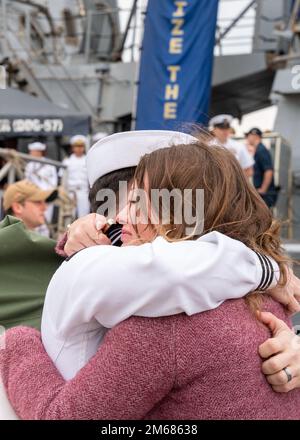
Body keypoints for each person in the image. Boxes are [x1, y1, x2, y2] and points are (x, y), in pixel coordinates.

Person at [2, 138, 300, 419]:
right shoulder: (272, 302)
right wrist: (272, 270)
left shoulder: (162, 321)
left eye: (137, 202)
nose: (119, 217)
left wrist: (17, 341)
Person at [25, 142, 58, 225]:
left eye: (32, 151)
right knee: (35, 220)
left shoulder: (50, 164)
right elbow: (27, 182)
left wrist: (49, 193)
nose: (30, 153)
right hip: (34, 196)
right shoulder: (29, 166)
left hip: (47, 196)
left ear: (38, 152)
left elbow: (54, 180)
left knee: (46, 220)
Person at [246, 128, 278, 208]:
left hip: (265, 194)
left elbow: (269, 171)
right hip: (263, 193)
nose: (247, 138)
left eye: (248, 135)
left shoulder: (261, 150)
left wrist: (263, 189)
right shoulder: (258, 150)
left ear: (255, 136)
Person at [63, 135, 90, 218]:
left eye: (81, 146)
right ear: (73, 148)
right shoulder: (67, 161)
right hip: (70, 193)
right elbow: (63, 179)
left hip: (83, 192)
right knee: (69, 217)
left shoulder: (88, 160)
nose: (79, 149)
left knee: (84, 216)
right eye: (76, 146)